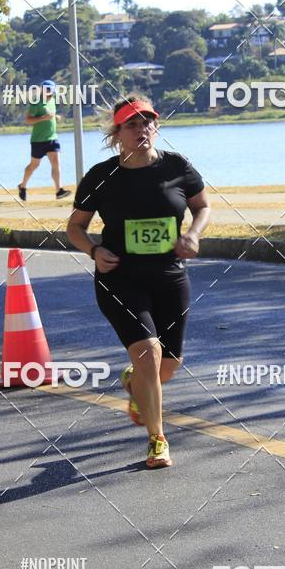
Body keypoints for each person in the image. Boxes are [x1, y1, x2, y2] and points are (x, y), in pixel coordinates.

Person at [66, 95, 211, 469]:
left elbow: (202, 206)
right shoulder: (101, 175)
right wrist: (93, 251)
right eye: (131, 124)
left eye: (147, 122)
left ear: (156, 128)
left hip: (170, 276)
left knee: (169, 364)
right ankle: (157, 440)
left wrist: (193, 234)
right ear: (117, 133)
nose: (141, 129)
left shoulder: (177, 167)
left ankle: (136, 385)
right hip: (120, 278)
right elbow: (75, 227)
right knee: (149, 351)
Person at [18, 79, 71, 201]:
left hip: (52, 138)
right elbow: (28, 120)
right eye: (46, 89)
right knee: (34, 165)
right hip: (38, 140)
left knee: (56, 162)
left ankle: (59, 190)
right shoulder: (36, 103)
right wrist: (44, 118)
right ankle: (23, 186)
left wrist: (56, 117)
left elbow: (51, 115)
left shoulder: (52, 100)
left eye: (50, 90)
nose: (49, 92)